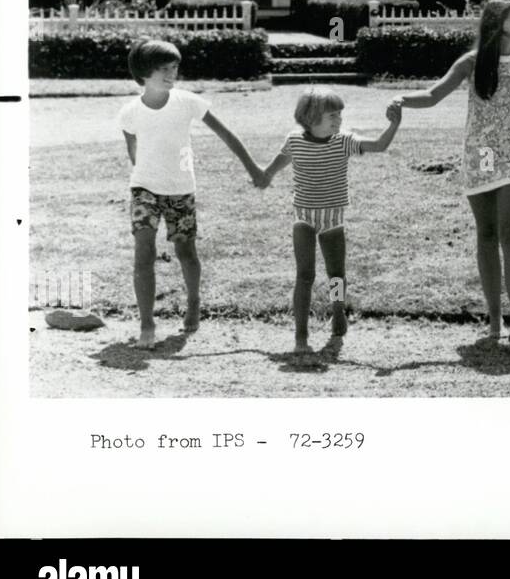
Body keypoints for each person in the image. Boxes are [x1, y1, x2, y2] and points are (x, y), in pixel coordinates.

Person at [393, 0, 510, 346]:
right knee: (487, 234)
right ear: (497, 23)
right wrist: (402, 100)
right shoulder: (471, 62)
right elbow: (433, 95)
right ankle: (493, 319)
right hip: (482, 155)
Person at [118, 39, 263, 348]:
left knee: (186, 252)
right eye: (164, 69)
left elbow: (225, 134)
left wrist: (253, 169)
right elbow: (134, 152)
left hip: (181, 190)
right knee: (144, 251)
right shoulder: (129, 112)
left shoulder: (187, 102)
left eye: (175, 68)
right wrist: (144, 181)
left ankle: (193, 301)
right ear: (144, 73)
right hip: (144, 189)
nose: (172, 75)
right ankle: (147, 324)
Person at [257, 87, 400, 354]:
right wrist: (264, 176)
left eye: (339, 114)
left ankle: (338, 310)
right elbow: (273, 168)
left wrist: (394, 124)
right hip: (304, 217)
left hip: (333, 218)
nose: (339, 119)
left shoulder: (343, 141)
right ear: (310, 118)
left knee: (336, 274)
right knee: (305, 275)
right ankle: (301, 334)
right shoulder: (294, 140)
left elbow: (380, 145)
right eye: (332, 115)